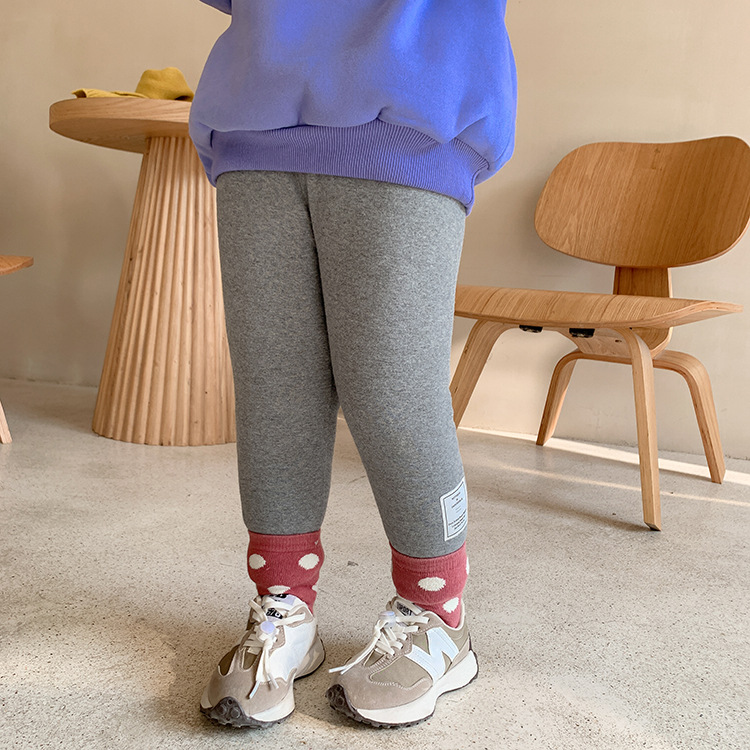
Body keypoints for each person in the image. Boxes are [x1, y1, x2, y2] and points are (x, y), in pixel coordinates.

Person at [188, 0, 517, 729]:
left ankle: (439, 618)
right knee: (275, 395)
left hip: (411, 100)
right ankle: (284, 606)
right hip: (254, 118)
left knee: (393, 393)